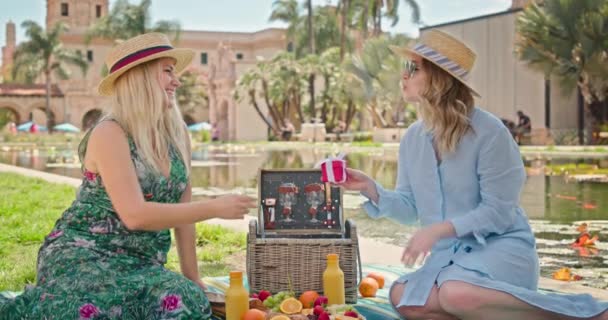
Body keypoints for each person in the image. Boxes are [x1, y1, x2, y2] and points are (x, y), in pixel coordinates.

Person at [337, 29, 608, 320]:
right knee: (404, 299)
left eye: (412, 68)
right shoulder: (412, 139)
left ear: (438, 79)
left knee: (456, 293)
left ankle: (585, 315)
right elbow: (409, 207)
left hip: (502, 249)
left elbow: (498, 213)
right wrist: (369, 186)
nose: (403, 76)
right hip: (451, 259)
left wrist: (440, 230)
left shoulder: (490, 133)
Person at [0, 33, 256, 319]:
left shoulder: (177, 132)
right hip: (84, 253)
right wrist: (215, 208)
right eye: (168, 71)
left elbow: (184, 214)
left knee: (187, 300)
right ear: (141, 77)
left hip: (141, 261)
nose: (177, 81)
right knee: (93, 311)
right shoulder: (110, 132)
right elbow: (134, 215)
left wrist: (193, 278)